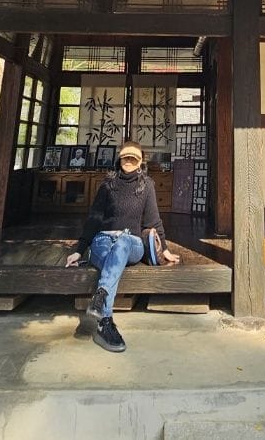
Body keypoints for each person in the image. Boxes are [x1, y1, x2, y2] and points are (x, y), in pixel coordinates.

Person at [65, 140, 180, 352]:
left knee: (123, 241)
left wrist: (164, 249)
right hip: (103, 241)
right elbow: (94, 219)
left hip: (131, 243)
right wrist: (79, 249)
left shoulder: (147, 186)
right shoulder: (107, 185)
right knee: (111, 249)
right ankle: (104, 320)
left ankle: (101, 297)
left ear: (140, 162)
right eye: (126, 157)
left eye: (133, 159)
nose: (129, 161)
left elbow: (153, 221)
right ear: (120, 159)